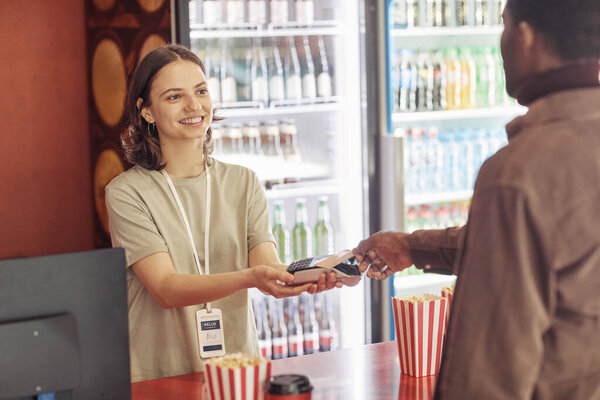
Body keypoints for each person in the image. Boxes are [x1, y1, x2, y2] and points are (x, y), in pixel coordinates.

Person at [354, 0, 600, 398]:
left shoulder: (518, 174)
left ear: (525, 37)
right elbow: (545, 247)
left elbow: (487, 371)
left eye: (503, 27)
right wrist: (411, 247)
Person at [105, 44, 338, 382]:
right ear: (147, 112)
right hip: (159, 374)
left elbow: (267, 270)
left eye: (201, 91)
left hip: (239, 370)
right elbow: (166, 289)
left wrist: (308, 275)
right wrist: (251, 277)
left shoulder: (244, 183)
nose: (194, 105)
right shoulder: (127, 193)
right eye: (174, 97)